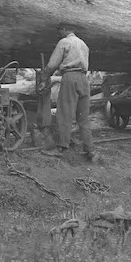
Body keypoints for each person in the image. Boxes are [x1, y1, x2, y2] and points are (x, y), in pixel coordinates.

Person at [40, 23, 99, 163]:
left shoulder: (64, 42)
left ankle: (61, 148)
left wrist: (44, 76)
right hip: (84, 79)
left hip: (70, 77)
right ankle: (91, 150)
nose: (59, 33)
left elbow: (53, 64)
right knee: (83, 118)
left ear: (64, 30)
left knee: (65, 114)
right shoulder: (83, 44)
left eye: (59, 31)